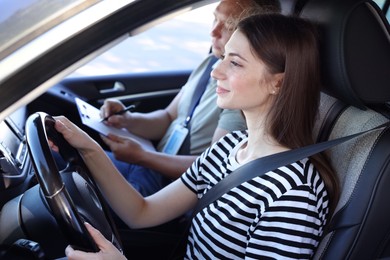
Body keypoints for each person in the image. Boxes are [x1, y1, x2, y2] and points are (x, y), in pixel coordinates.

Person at [56, 13, 339, 259]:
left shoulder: (292, 194)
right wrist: (89, 148)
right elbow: (142, 212)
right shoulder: (229, 147)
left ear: (278, 83)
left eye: (235, 63)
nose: (216, 71)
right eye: (223, 57)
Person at [98, 0, 281, 197]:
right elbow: (169, 117)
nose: (213, 31)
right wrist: (128, 120)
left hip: (171, 186)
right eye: (214, 19)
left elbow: (214, 168)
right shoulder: (210, 62)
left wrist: (142, 157)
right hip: (149, 165)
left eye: (228, 26)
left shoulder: (240, 96)